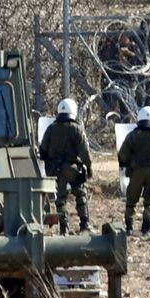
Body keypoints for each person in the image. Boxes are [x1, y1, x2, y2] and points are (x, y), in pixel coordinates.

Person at [39, 98, 92, 234]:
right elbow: (84, 152)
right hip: (72, 169)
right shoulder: (76, 129)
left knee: (60, 199)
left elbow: (43, 150)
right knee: (80, 194)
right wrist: (88, 167)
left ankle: (63, 227)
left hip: (55, 169)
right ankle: (85, 224)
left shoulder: (51, 128)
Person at [117, 105, 150, 236]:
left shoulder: (132, 136)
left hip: (136, 172)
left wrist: (126, 164)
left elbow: (122, 155)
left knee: (131, 200)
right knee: (149, 201)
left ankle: (128, 227)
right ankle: (146, 228)